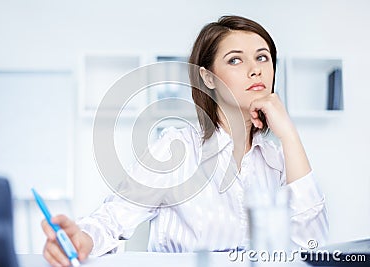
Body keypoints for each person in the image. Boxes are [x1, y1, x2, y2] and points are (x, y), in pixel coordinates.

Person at [41, 15, 328, 266]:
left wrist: (289, 135)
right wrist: (83, 237)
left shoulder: (279, 160)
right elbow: (113, 217)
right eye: (235, 59)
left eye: (262, 57)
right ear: (208, 78)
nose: (255, 69)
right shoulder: (177, 149)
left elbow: (313, 246)